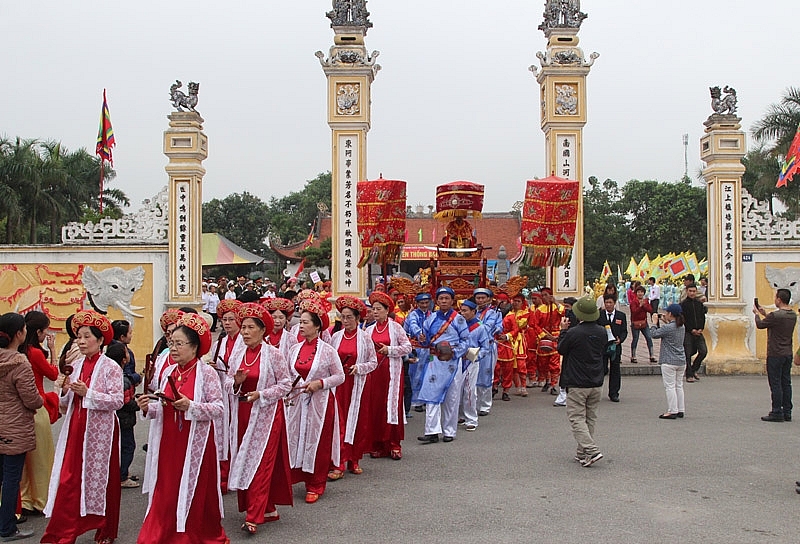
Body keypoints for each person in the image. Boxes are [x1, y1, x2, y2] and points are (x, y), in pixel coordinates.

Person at [136, 313, 227, 544]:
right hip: (169, 440)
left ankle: (189, 532)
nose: (173, 349)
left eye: (179, 344)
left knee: (194, 489)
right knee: (167, 488)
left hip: (195, 442)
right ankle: (163, 531)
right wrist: (149, 407)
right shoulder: (168, 372)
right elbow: (163, 408)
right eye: (171, 343)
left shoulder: (207, 373)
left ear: (194, 347)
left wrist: (191, 406)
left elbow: (218, 408)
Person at [41, 310, 123, 544]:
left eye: (87, 336)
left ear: (100, 340)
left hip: (102, 431)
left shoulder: (110, 367)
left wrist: (89, 393)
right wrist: (66, 391)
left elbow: (117, 400)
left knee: (103, 479)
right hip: (76, 427)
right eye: (79, 336)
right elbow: (67, 403)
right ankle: (65, 529)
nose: (81, 341)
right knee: (70, 478)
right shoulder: (75, 365)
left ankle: (105, 529)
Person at [226, 303, 293, 534]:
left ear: (262, 330)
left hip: (267, 416)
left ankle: (254, 516)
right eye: (242, 327)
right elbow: (226, 382)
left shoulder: (273, 354)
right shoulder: (238, 354)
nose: (244, 332)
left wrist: (262, 394)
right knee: (245, 459)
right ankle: (268, 508)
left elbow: (285, 384)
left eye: (250, 327)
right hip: (243, 415)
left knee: (261, 464)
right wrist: (236, 382)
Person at [285, 300, 345, 504]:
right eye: (299, 322)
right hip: (296, 405)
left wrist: (320, 383)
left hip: (320, 403)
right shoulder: (294, 349)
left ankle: (316, 483)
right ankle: (295, 478)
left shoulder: (328, 351)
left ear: (317, 325)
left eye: (305, 323)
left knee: (317, 441)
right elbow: (287, 374)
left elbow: (340, 376)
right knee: (294, 439)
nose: (300, 326)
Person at [0, 312, 43, 542]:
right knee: (11, 479)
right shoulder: (19, 362)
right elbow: (32, 399)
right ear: (19, 334)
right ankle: (7, 527)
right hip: (15, 427)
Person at [328, 296, 378, 478]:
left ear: (358, 319)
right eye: (343, 317)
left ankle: (354, 458)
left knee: (357, 421)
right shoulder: (335, 337)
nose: (346, 321)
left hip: (358, 385)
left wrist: (359, 368)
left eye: (350, 317)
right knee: (338, 422)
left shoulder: (365, 338)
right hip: (340, 385)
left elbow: (373, 362)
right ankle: (338, 462)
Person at [557, 295, 606, 467]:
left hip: (577, 381)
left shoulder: (573, 332)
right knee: (590, 418)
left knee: (577, 418)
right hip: (596, 379)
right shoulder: (602, 331)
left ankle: (591, 450)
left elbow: (561, 349)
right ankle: (582, 452)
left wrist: (563, 330)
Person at [363, 291, 412, 459]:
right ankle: (377, 444)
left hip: (392, 373)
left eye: (378, 309)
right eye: (373, 309)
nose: (375, 312)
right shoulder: (368, 330)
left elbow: (408, 347)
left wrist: (389, 350)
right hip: (374, 374)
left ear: (386, 310)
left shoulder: (396, 327)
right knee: (375, 407)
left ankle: (393, 444)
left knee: (391, 407)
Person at [417, 287, 470, 443]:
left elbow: (466, 341)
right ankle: (431, 431)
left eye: (447, 298)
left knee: (451, 397)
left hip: (452, 362)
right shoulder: (431, 318)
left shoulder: (459, 319)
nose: (444, 301)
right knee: (431, 395)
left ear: (452, 300)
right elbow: (426, 339)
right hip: (435, 361)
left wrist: (453, 352)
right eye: (441, 298)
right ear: (437, 301)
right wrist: (422, 339)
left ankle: (449, 431)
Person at [19, 311, 58, 516]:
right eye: (45, 331)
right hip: (37, 406)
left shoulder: (18, 351)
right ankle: (40, 500)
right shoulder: (34, 353)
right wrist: (52, 350)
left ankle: (23, 499)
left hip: (18, 410)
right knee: (41, 459)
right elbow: (52, 373)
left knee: (22, 461)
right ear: (38, 332)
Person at [754, 288, 797, 422]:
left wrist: (756, 314)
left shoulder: (776, 316)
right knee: (786, 382)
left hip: (775, 353)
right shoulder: (792, 314)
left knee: (776, 383)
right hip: (787, 352)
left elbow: (761, 325)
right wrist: (765, 313)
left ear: (779, 299)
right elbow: (775, 323)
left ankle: (776, 411)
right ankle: (787, 411)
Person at [104, 343, 139, 488]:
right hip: (124, 420)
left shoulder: (110, 373)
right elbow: (125, 402)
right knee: (127, 446)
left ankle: (120, 472)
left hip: (118, 419)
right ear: (124, 359)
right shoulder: (122, 379)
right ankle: (122, 476)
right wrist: (138, 405)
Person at [459, 298, 491, 431]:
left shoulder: (480, 327)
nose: (462, 313)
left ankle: (471, 418)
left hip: (471, 361)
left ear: (473, 311)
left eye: (465, 311)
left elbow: (485, 347)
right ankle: (460, 415)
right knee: (456, 390)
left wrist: (474, 356)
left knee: (469, 391)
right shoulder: (457, 324)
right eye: (461, 310)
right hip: (456, 360)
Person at [650, 304, 686, 419]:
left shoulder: (668, 328)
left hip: (669, 361)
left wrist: (654, 322)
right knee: (678, 385)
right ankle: (680, 409)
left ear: (670, 314)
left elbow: (654, 334)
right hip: (681, 360)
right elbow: (671, 328)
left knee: (670, 386)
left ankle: (672, 410)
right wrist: (664, 320)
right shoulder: (682, 326)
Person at [473, 288, 502, 416]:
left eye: (483, 298)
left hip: (488, 347)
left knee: (486, 375)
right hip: (473, 347)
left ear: (489, 299)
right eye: (478, 298)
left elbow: (491, 327)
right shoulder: (472, 311)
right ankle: (473, 404)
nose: (480, 300)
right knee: (472, 375)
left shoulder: (493, 312)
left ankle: (485, 405)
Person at [404, 293, 432, 413]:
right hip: (417, 348)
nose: (424, 305)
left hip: (430, 349)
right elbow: (413, 326)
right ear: (417, 303)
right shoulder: (413, 315)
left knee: (428, 373)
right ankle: (416, 401)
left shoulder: (433, 315)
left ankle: (426, 398)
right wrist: (420, 334)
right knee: (415, 374)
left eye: (426, 303)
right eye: (422, 303)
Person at [532, 287, 564, 395]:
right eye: (543, 295)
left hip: (555, 336)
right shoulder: (539, 310)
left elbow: (563, 313)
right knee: (543, 363)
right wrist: (543, 335)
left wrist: (555, 301)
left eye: (546, 295)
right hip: (544, 337)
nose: (544, 297)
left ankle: (554, 384)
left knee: (554, 363)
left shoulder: (556, 307)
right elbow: (535, 325)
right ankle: (546, 380)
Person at [598, 295, 627, 402]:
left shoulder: (621, 316)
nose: (608, 305)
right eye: (606, 303)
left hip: (615, 347)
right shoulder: (599, 315)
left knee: (615, 370)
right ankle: (596, 392)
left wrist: (620, 340)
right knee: (602, 369)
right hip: (603, 347)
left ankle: (614, 393)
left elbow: (624, 331)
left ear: (614, 303)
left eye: (610, 303)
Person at [680, 283, 707, 382]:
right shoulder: (683, 305)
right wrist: (691, 330)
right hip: (688, 332)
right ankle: (689, 375)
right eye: (690, 291)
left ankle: (694, 369)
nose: (692, 293)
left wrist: (701, 328)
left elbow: (702, 317)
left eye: (694, 291)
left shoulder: (699, 304)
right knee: (687, 354)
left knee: (703, 351)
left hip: (699, 332)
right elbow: (683, 319)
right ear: (687, 292)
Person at [262, 297, 296, 364]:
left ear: (286, 319)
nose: (277, 321)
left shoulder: (291, 339)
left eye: (281, 317)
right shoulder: (261, 336)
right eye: (274, 317)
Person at [629, 285, 656, 364]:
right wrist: (640, 306)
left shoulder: (646, 301)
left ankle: (652, 355)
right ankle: (633, 356)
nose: (640, 294)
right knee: (635, 339)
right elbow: (634, 311)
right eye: (638, 292)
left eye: (641, 292)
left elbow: (650, 310)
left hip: (644, 322)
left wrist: (644, 305)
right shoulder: (634, 302)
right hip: (635, 323)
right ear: (636, 293)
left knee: (649, 337)